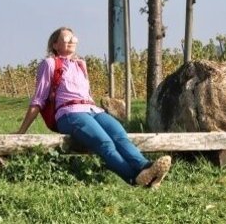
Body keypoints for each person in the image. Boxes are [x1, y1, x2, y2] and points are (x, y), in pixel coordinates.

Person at [16, 26, 172, 188]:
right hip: (69, 113)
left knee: (119, 135)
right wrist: (22, 131)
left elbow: (87, 94)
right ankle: (135, 178)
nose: (71, 41)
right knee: (104, 143)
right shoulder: (49, 64)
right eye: (66, 38)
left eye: (73, 38)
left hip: (92, 110)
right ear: (55, 45)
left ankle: (145, 167)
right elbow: (39, 99)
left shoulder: (80, 64)